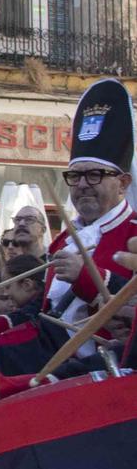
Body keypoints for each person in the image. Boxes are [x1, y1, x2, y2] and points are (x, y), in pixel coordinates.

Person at [41, 80, 135, 359]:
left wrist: (88, 276)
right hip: (52, 362)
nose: (82, 184)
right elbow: (43, 313)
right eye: (75, 176)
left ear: (123, 183)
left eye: (94, 175)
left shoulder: (134, 234)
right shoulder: (61, 241)